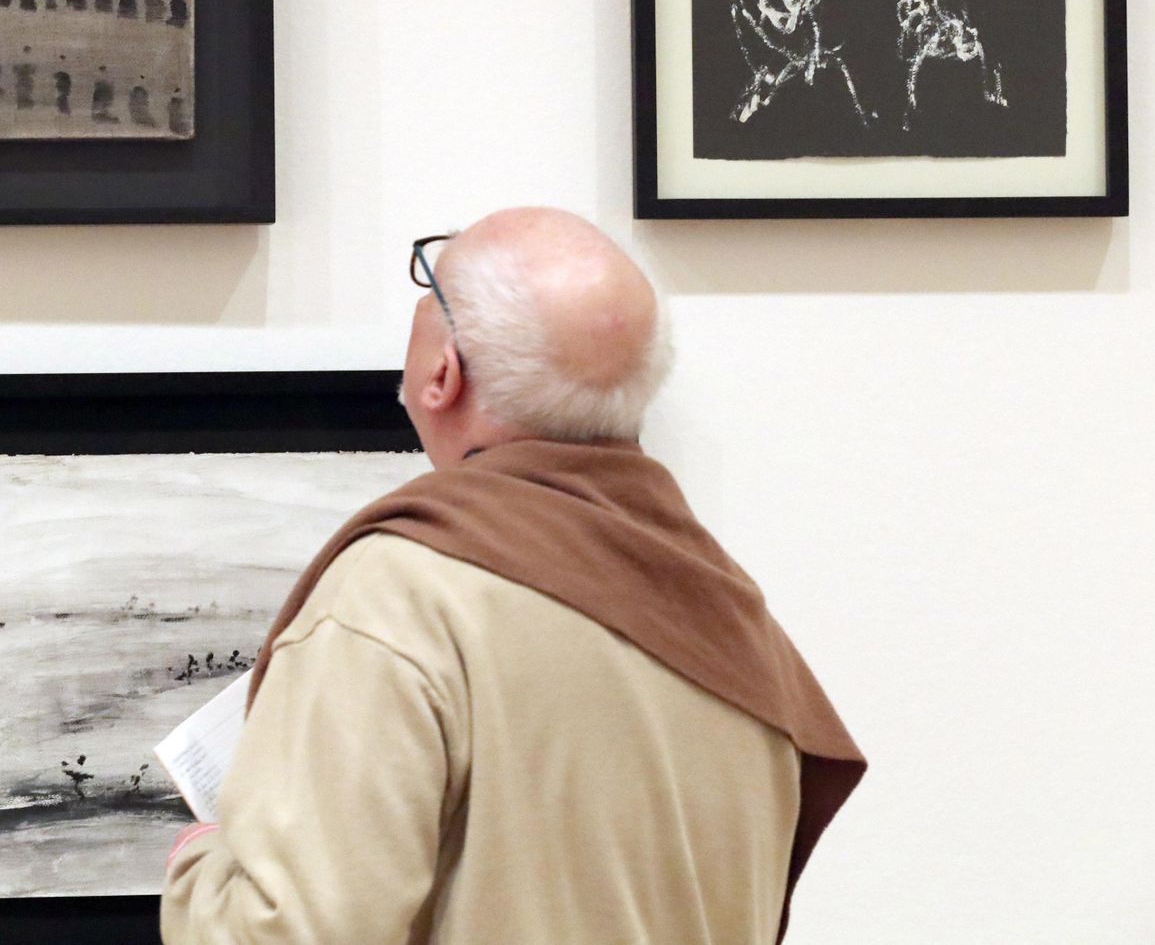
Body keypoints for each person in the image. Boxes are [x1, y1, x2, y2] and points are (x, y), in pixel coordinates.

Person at [161, 207, 865, 945]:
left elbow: (290, 935)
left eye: (430, 281)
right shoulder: (733, 618)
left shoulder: (400, 596)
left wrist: (200, 866)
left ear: (444, 373)